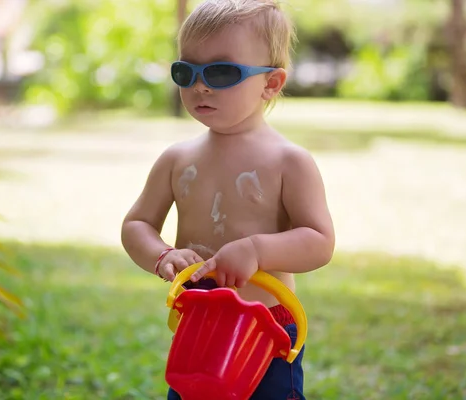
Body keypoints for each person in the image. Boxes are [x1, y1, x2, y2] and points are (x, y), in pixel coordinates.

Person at [121, 0, 335, 398]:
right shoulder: (176, 159)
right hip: (198, 325)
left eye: (220, 72)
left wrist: (257, 249)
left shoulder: (288, 162)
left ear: (270, 83)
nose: (199, 85)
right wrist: (162, 254)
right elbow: (137, 225)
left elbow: (319, 242)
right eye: (186, 71)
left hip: (266, 329)